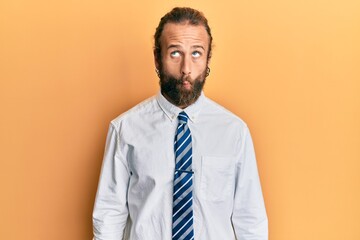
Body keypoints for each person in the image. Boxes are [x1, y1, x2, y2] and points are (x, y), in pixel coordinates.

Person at [93, 7, 268, 240]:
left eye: (196, 53)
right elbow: (109, 216)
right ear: (157, 57)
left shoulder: (234, 132)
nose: (186, 69)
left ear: (207, 59)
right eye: (175, 53)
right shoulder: (125, 129)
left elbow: (250, 221)